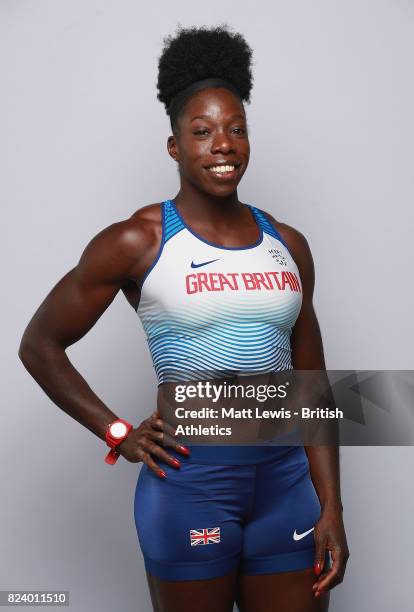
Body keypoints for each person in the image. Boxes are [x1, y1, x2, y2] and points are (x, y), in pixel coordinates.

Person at [18, 24, 349, 612]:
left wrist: (333, 507)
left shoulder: (287, 244)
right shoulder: (138, 240)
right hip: (193, 488)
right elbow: (39, 345)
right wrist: (116, 432)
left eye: (236, 129)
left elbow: (312, 385)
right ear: (175, 146)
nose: (222, 144)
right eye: (202, 131)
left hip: (286, 487)